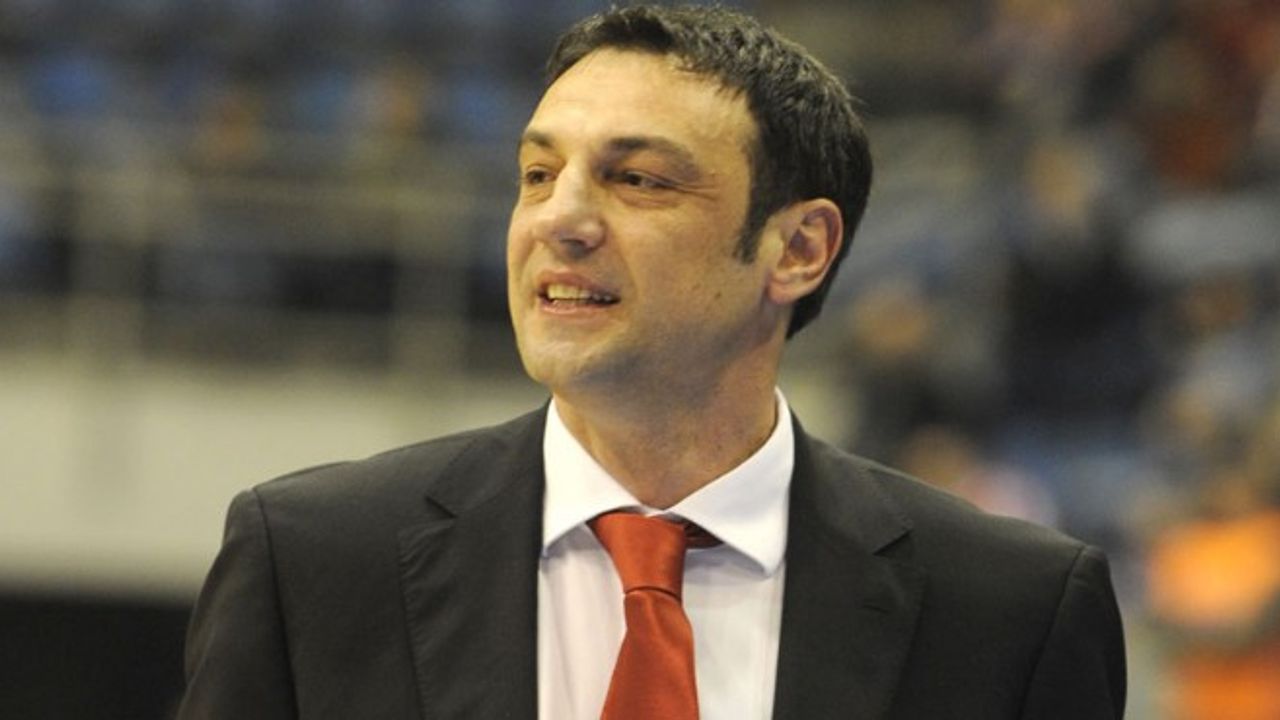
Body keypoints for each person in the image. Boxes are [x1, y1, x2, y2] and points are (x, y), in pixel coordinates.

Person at [177, 6, 1127, 719]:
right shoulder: (312, 561)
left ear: (798, 249)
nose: (559, 219)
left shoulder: (1010, 612)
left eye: (637, 180)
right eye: (538, 175)